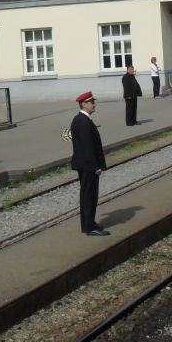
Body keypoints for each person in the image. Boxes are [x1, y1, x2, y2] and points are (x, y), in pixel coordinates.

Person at [70, 91, 109, 236]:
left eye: (94, 102)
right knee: (89, 196)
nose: (94, 105)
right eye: (92, 102)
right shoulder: (83, 121)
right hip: (88, 166)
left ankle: (88, 224)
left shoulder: (81, 119)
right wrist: (96, 166)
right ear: (84, 104)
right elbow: (88, 147)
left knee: (87, 195)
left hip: (85, 164)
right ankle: (89, 227)